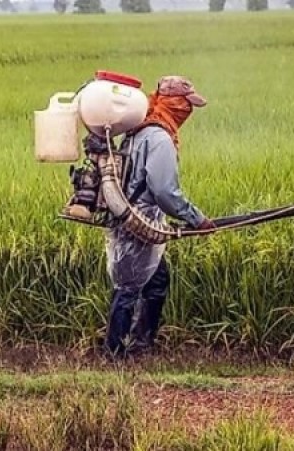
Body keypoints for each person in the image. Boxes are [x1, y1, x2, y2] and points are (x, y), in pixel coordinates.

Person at [87, 75, 215, 359]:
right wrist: (196, 219)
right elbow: (164, 191)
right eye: (185, 104)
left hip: (136, 219)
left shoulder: (139, 131)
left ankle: (142, 344)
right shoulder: (158, 138)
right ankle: (115, 353)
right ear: (172, 103)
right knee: (129, 288)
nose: (187, 111)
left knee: (156, 281)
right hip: (138, 223)